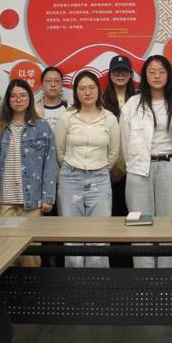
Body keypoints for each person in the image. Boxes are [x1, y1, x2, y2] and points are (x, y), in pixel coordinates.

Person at [121, 55, 172, 268]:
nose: (157, 76)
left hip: (169, 167)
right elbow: (124, 140)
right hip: (138, 170)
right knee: (139, 226)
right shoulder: (133, 104)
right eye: (152, 72)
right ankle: (145, 278)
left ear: (168, 75)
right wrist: (133, 164)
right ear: (145, 76)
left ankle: (166, 277)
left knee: (168, 226)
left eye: (161, 71)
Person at [0, 78, 57, 266]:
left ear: (30, 98)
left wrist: (48, 197)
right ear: (7, 100)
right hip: (2, 201)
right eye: (13, 96)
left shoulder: (42, 128)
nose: (18, 100)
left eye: (23, 95)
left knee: (31, 256)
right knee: (4, 255)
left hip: (31, 203)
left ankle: (31, 287)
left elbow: (50, 164)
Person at [55, 71, 120, 268]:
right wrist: (74, 169)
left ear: (98, 90)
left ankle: (97, 284)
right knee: (71, 237)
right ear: (76, 92)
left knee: (99, 237)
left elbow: (114, 152)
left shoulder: (109, 118)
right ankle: (74, 284)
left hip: (99, 179)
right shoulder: (67, 118)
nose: (87, 92)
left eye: (91, 88)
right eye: (82, 89)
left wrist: (99, 169)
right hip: (70, 178)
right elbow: (60, 151)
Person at [101, 55, 136, 219]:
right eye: (116, 71)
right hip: (108, 168)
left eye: (124, 71)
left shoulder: (139, 99)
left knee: (133, 213)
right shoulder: (100, 101)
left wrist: (126, 167)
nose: (120, 75)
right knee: (112, 213)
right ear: (110, 74)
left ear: (131, 75)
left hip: (134, 167)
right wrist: (113, 166)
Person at [35, 66, 67, 130]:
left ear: (62, 84)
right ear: (42, 84)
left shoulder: (70, 109)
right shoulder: (34, 110)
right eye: (48, 81)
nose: (53, 84)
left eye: (57, 81)